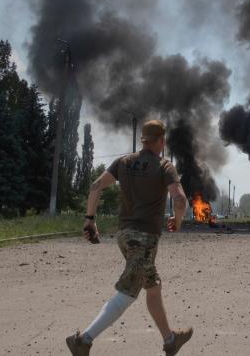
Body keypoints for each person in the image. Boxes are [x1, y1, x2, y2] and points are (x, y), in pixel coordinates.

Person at [67, 120, 193, 355]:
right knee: (128, 292)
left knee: (153, 286)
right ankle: (83, 340)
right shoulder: (165, 165)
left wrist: (89, 219)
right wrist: (177, 221)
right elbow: (180, 200)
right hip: (143, 240)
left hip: (124, 235)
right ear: (162, 141)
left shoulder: (123, 162)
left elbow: (96, 186)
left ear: (143, 140)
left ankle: (170, 340)